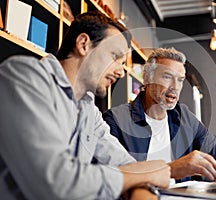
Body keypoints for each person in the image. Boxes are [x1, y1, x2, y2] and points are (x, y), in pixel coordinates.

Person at [0, 11, 170, 200]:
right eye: (115, 56)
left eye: (123, 63)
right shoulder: (24, 76)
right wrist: (143, 175)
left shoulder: (89, 111)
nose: (121, 72)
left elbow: (126, 165)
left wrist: (140, 183)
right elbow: (56, 182)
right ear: (83, 44)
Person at [103, 47, 216, 183]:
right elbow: (113, 176)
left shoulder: (185, 117)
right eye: (167, 77)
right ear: (147, 79)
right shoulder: (115, 120)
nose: (175, 86)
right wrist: (170, 169)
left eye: (180, 80)